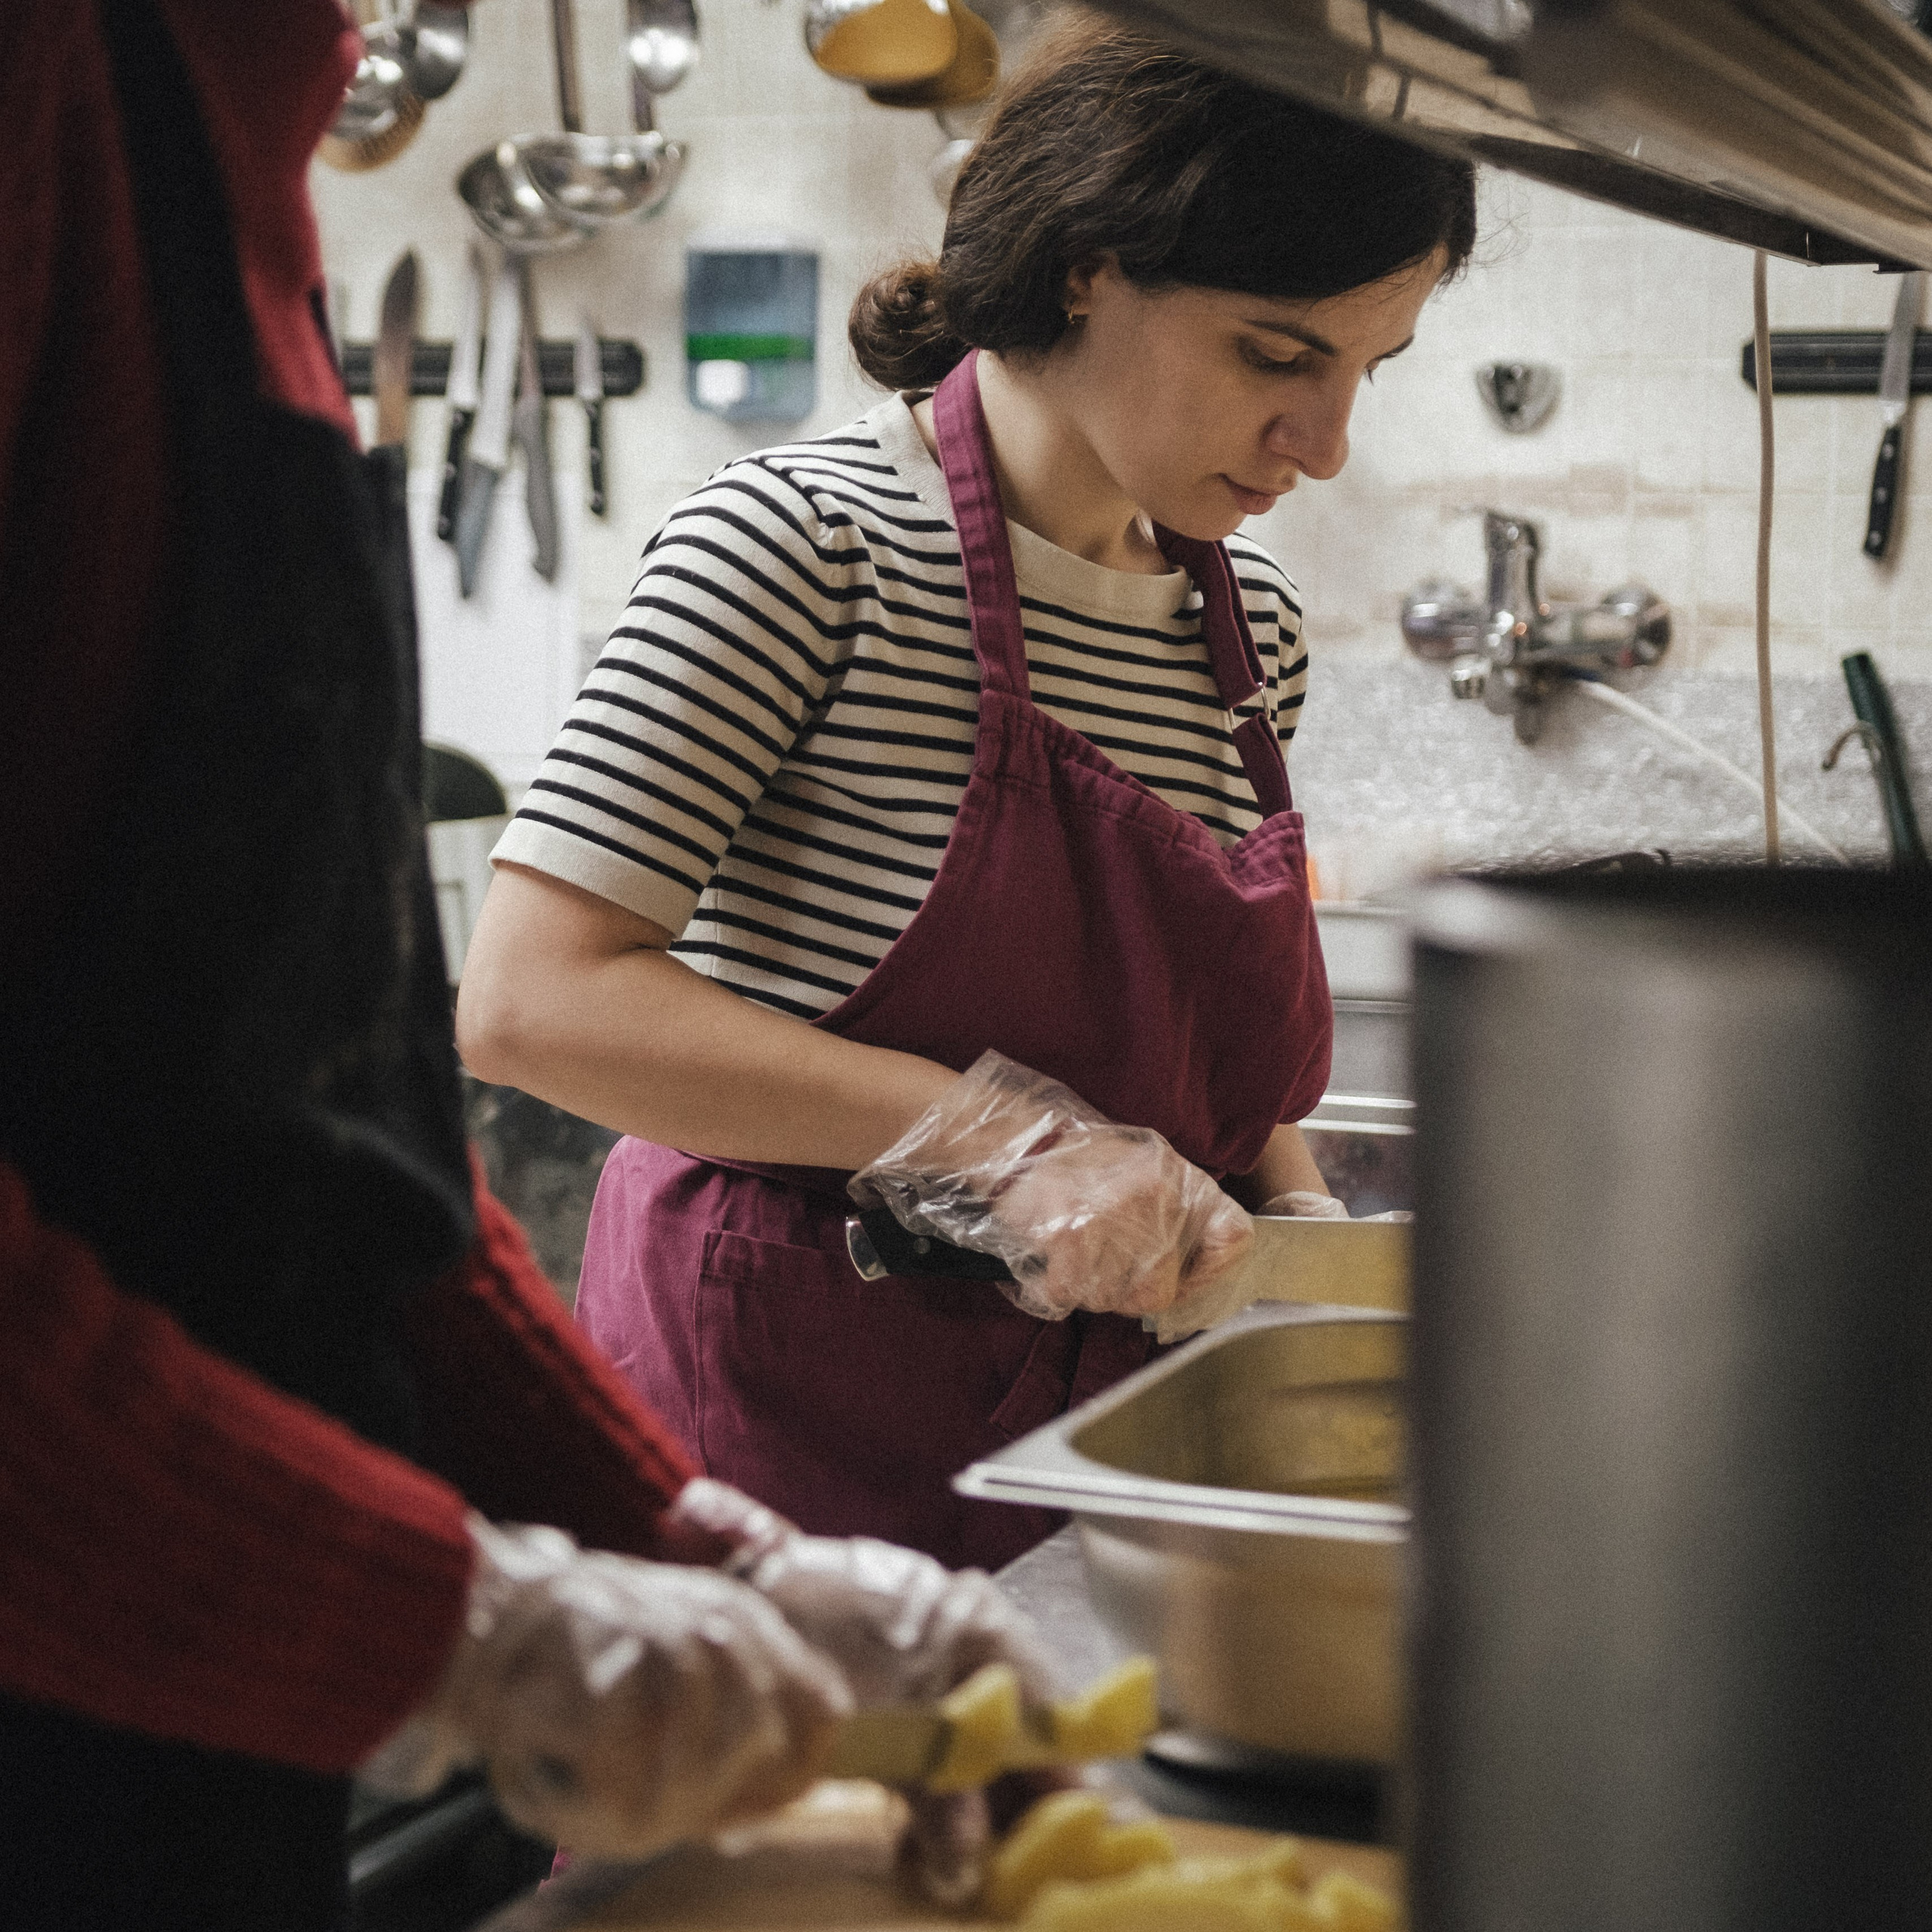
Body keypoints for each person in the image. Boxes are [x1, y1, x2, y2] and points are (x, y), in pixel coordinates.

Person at [0, 4, 1055, 1927]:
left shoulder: (233, 111)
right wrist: (471, 1626)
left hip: (202, 1657)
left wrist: (674, 1536)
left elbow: (314, 1133)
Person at [458, 12, 1478, 1571]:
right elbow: (533, 1000)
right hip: (791, 1434)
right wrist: (998, 1143)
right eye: (1275, 355)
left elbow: (1217, 1061)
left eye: (1362, 371)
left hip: (1109, 1440)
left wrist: (1296, 1233)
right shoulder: (802, 548)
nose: (1323, 445)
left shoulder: (1243, 627)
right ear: (1085, 261)